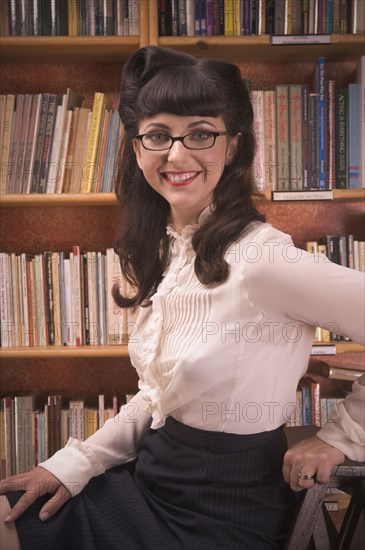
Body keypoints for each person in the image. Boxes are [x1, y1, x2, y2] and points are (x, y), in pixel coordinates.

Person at [1, 45, 364, 550]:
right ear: (136, 150)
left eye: (200, 134)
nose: (176, 155)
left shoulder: (263, 261)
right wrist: (69, 466)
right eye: (158, 136)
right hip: (148, 479)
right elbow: (158, 401)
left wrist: (339, 436)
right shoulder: (173, 252)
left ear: (233, 147)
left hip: (220, 514)